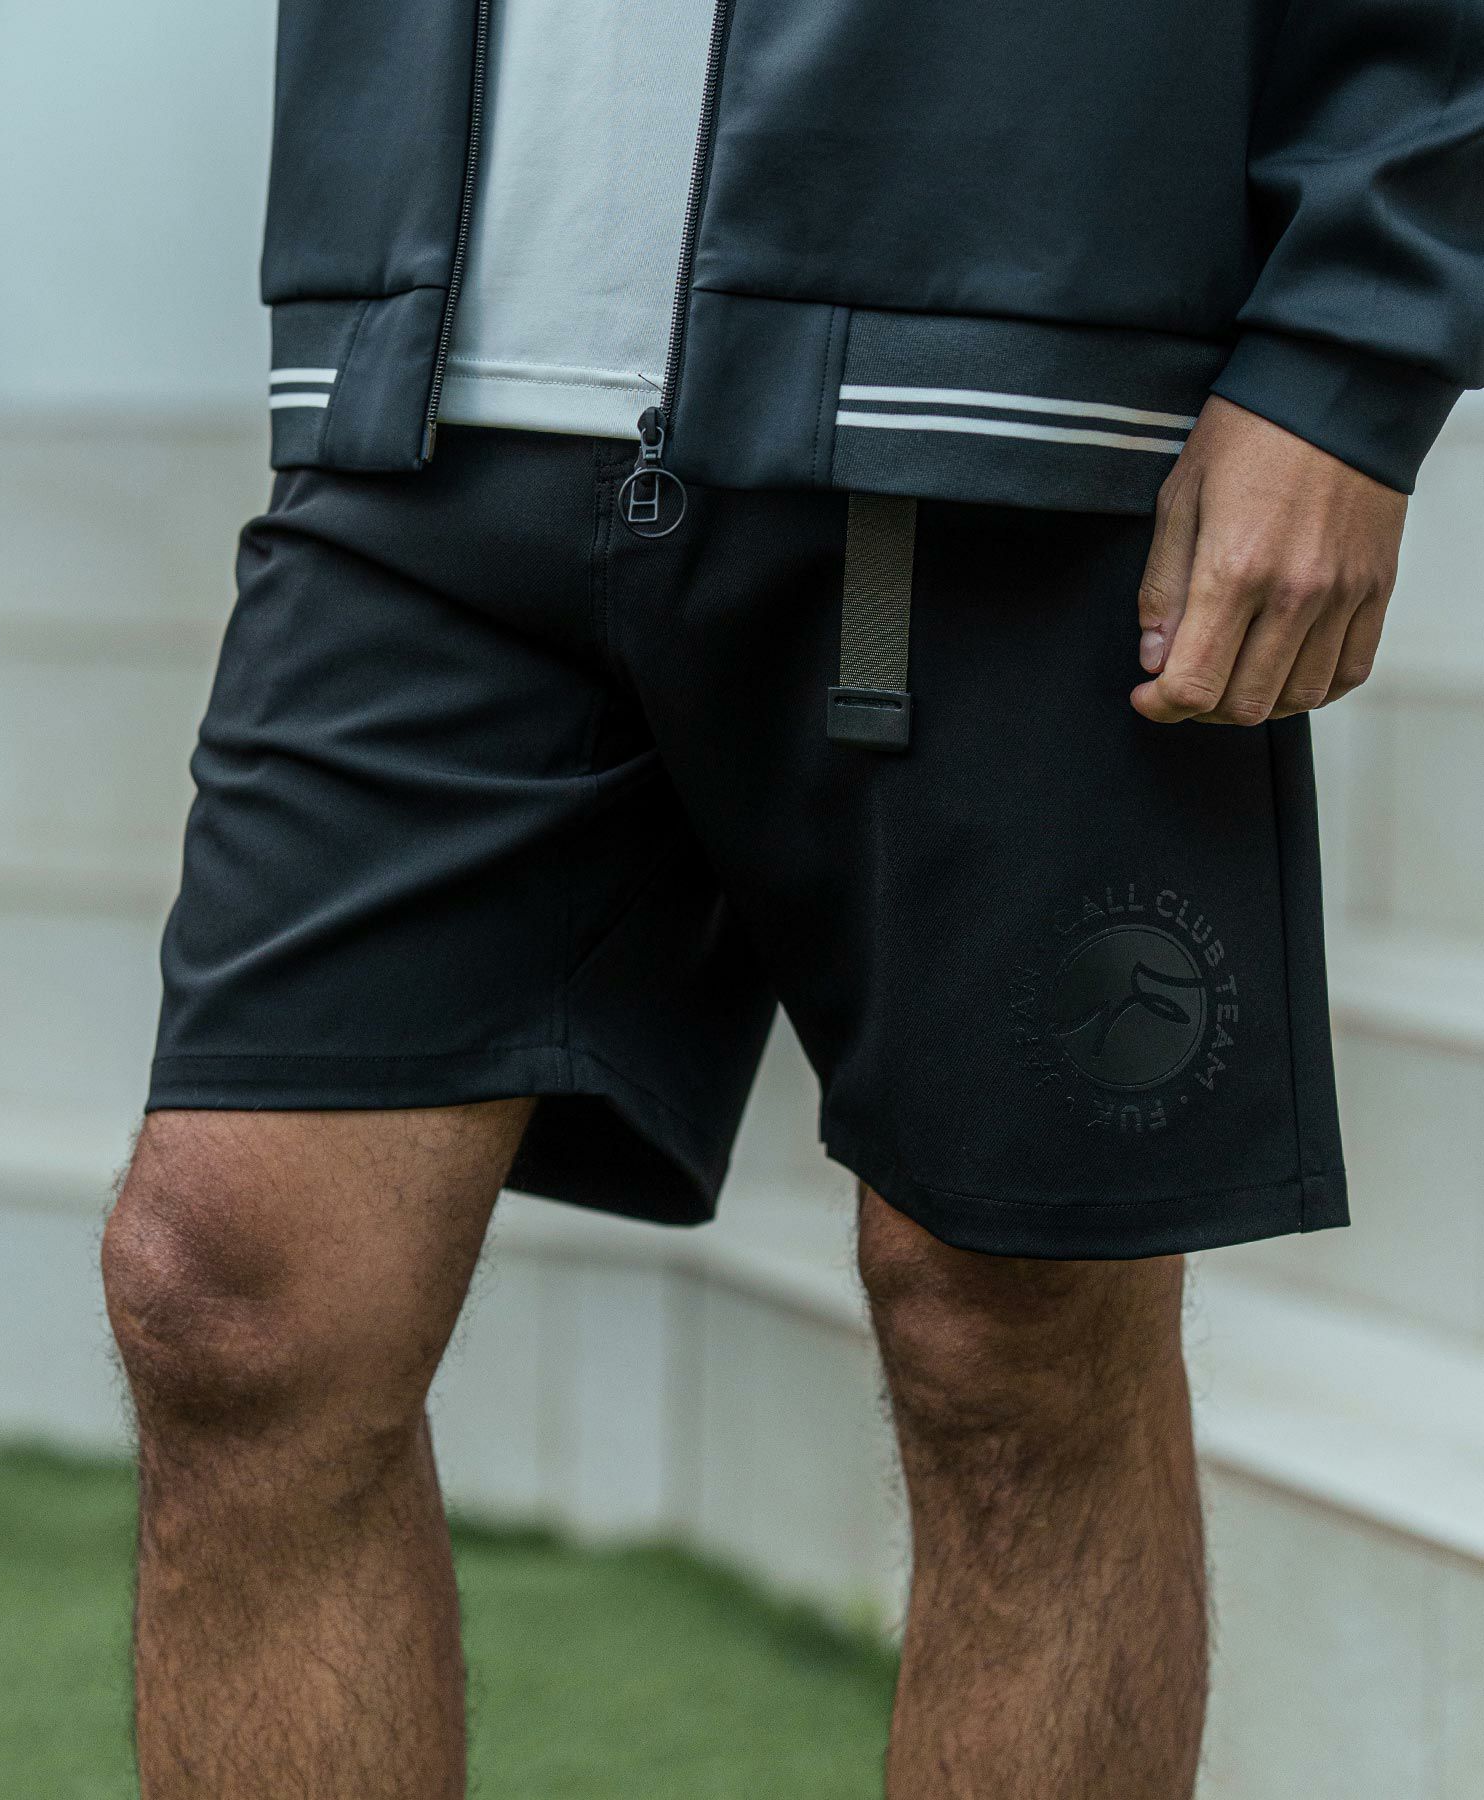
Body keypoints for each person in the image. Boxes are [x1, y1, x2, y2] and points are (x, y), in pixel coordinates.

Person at [101, 1, 1484, 1794]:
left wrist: (1350, 345)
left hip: (1014, 384)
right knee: (230, 1294)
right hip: (421, 401)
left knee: (1015, 1339)